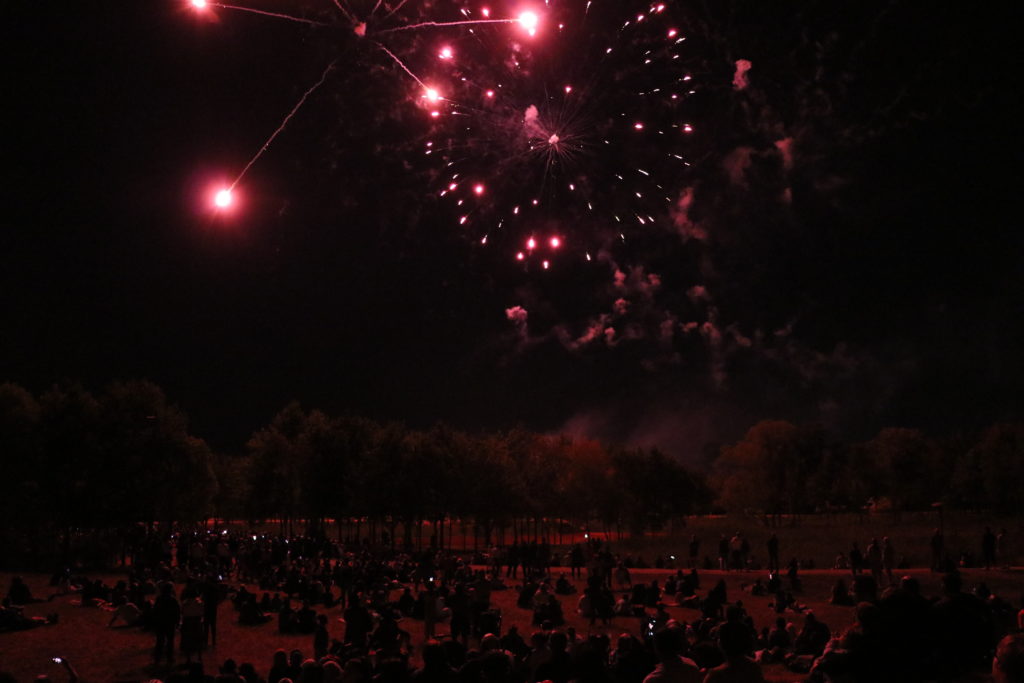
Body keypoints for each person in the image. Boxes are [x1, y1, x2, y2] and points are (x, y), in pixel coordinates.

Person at [152, 582, 181, 665]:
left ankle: (158, 658)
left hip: (161, 622)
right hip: (169, 623)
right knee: (169, 641)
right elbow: (177, 611)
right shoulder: (173, 600)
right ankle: (169, 658)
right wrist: (177, 621)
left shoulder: (159, 599)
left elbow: (155, 610)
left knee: (160, 641)